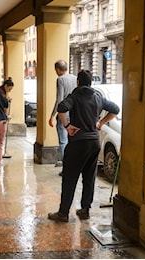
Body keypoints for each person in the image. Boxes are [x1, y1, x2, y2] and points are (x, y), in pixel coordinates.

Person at [48, 70, 120, 222]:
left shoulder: (74, 96)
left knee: (69, 178)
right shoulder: (98, 97)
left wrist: (67, 125)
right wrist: (101, 123)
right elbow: (115, 109)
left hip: (77, 143)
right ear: (91, 82)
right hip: (94, 143)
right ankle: (85, 209)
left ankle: (63, 213)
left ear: (78, 82)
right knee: (89, 177)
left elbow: (61, 108)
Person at [48, 60, 76, 171]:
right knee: (72, 141)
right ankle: (73, 167)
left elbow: (59, 100)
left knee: (63, 141)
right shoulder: (74, 78)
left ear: (58, 70)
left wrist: (52, 115)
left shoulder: (60, 79)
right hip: (74, 113)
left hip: (63, 114)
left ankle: (67, 168)